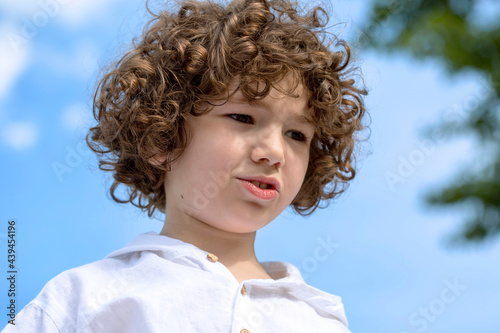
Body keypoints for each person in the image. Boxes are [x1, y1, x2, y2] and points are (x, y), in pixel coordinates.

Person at [3, 0, 366, 331]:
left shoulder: (320, 319)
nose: (274, 151)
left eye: (296, 135)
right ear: (162, 138)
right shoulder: (82, 301)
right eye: (242, 117)